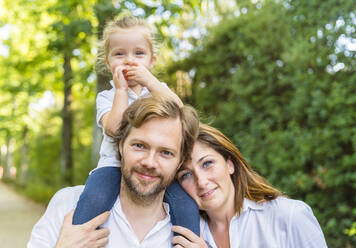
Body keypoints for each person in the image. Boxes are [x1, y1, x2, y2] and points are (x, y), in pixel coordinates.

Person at [73, 14, 199, 237]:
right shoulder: (107, 96)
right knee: (94, 199)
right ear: (108, 61)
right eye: (119, 54)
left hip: (157, 168)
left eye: (139, 53)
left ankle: (188, 241)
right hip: (112, 166)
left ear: (152, 61)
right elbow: (115, 129)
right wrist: (121, 91)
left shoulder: (156, 89)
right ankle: (79, 238)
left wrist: (149, 81)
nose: (129, 60)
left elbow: (180, 113)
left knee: (185, 205)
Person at [27, 95, 200, 248]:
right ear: (121, 146)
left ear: (180, 162)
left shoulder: (195, 231)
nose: (150, 162)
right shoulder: (68, 204)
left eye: (166, 153)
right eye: (139, 146)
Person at [172, 123, 328, 248]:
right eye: (186, 175)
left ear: (230, 164)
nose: (201, 181)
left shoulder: (289, 216)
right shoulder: (186, 235)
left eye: (207, 163)